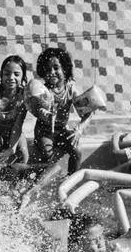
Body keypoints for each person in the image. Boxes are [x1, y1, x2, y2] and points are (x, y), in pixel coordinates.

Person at [20, 48, 93, 206]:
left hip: (61, 129)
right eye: (47, 69)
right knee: (49, 155)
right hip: (45, 130)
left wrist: (79, 130)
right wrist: (43, 112)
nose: (51, 72)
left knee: (77, 151)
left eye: (56, 68)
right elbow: (36, 107)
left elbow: (88, 114)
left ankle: (71, 182)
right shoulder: (43, 90)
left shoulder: (70, 89)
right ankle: (46, 182)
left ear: (65, 69)